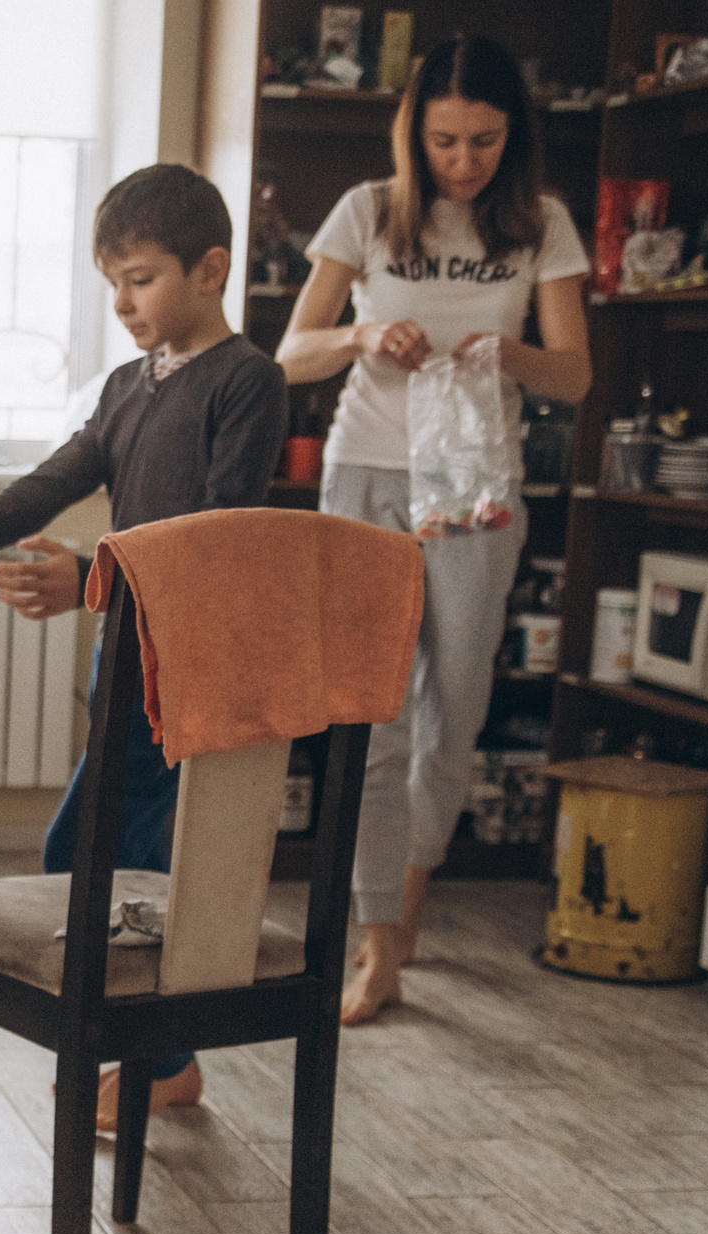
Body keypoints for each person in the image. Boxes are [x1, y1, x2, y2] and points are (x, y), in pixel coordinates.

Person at [0, 163, 288, 1131]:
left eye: (141, 278)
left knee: (106, 852)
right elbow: (58, 474)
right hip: (126, 660)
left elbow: (216, 535)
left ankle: (159, 1057)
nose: (121, 302)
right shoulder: (126, 386)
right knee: (119, 857)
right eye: (112, 282)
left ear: (211, 268)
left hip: (191, 667)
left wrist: (90, 575)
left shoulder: (247, 382)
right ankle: (161, 1059)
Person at [276, 35, 591, 1025]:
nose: (463, 161)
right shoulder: (366, 210)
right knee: (372, 712)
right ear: (413, 130)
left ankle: (404, 910)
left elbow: (575, 375)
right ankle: (378, 943)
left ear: (514, 136)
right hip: (366, 469)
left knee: (451, 707)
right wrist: (363, 335)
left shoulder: (541, 223)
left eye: (485, 142)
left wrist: (513, 355)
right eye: (446, 140)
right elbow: (289, 354)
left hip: (474, 481)